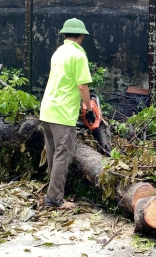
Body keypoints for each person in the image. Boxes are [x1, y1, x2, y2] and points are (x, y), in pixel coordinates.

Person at [40, 18, 95, 210]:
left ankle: (54, 191)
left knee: (53, 153)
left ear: (64, 35)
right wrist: (89, 109)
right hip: (62, 113)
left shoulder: (58, 52)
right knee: (63, 155)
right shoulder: (78, 56)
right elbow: (82, 85)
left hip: (47, 109)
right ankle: (54, 199)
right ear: (81, 37)